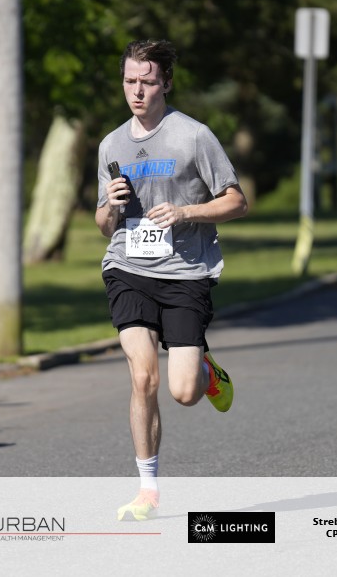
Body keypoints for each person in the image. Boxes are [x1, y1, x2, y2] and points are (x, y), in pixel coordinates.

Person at [95, 40, 248, 521]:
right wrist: (111, 206)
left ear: (166, 83)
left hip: (185, 272)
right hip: (128, 268)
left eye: (147, 82)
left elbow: (237, 201)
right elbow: (103, 225)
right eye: (129, 81)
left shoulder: (194, 137)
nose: (137, 91)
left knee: (183, 391)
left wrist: (186, 212)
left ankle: (206, 372)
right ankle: (148, 491)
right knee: (143, 375)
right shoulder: (111, 145)